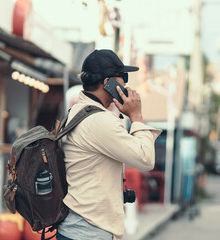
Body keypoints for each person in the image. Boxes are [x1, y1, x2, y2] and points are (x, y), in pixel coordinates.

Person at [57, 49, 162, 240]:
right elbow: (145, 160)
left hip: (75, 229)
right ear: (108, 83)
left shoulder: (75, 113)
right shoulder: (100, 121)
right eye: (123, 77)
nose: (126, 83)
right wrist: (136, 116)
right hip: (89, 232)